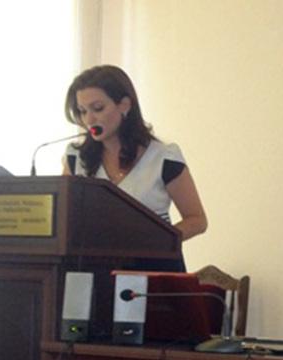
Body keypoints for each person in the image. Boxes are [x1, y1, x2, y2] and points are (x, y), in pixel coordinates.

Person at [63, 65, 207, 270]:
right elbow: (64, 216)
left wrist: (156, 241)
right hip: (93, 266)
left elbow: (197, 220)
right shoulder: (75, 158)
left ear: (124, 105)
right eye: (82, 111)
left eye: (98, 108)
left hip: (153, 266)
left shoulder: (163, 157)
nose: (89, 120)